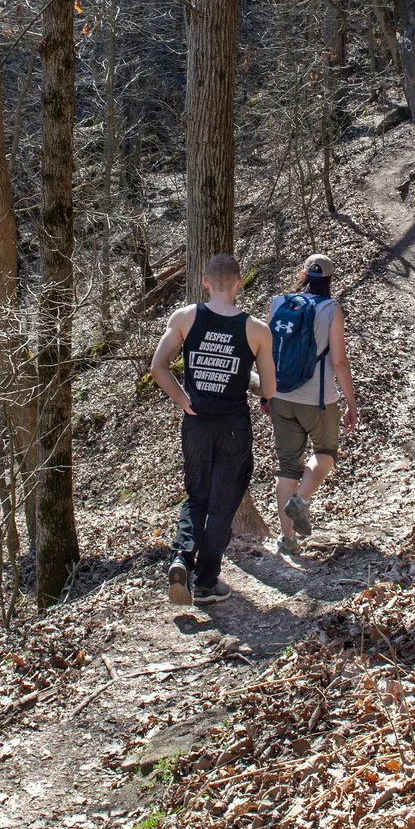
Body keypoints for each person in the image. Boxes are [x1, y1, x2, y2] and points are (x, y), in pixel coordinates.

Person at [149, 252, 276, 606]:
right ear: (238, 284)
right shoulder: (257, 330)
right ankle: (206, 581)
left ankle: (180, 559)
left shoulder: (185, 318)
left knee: (197, 496)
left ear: (206, 282)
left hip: (196, 422)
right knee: (222, 504)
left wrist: (183, 399)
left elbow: (158, 367)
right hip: (233, 426)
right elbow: (268, 389)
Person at [268, 255, 359, 556]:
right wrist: (351, 401)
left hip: (281, 397)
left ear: (301, 274)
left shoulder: (277, 303)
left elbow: (269, 352)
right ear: (329, 281)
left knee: (287, 468)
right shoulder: (331, 309)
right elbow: (340, 361)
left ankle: (287, 539)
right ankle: (301, 501)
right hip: (318, 401)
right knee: (325, 453)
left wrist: (266, 394)